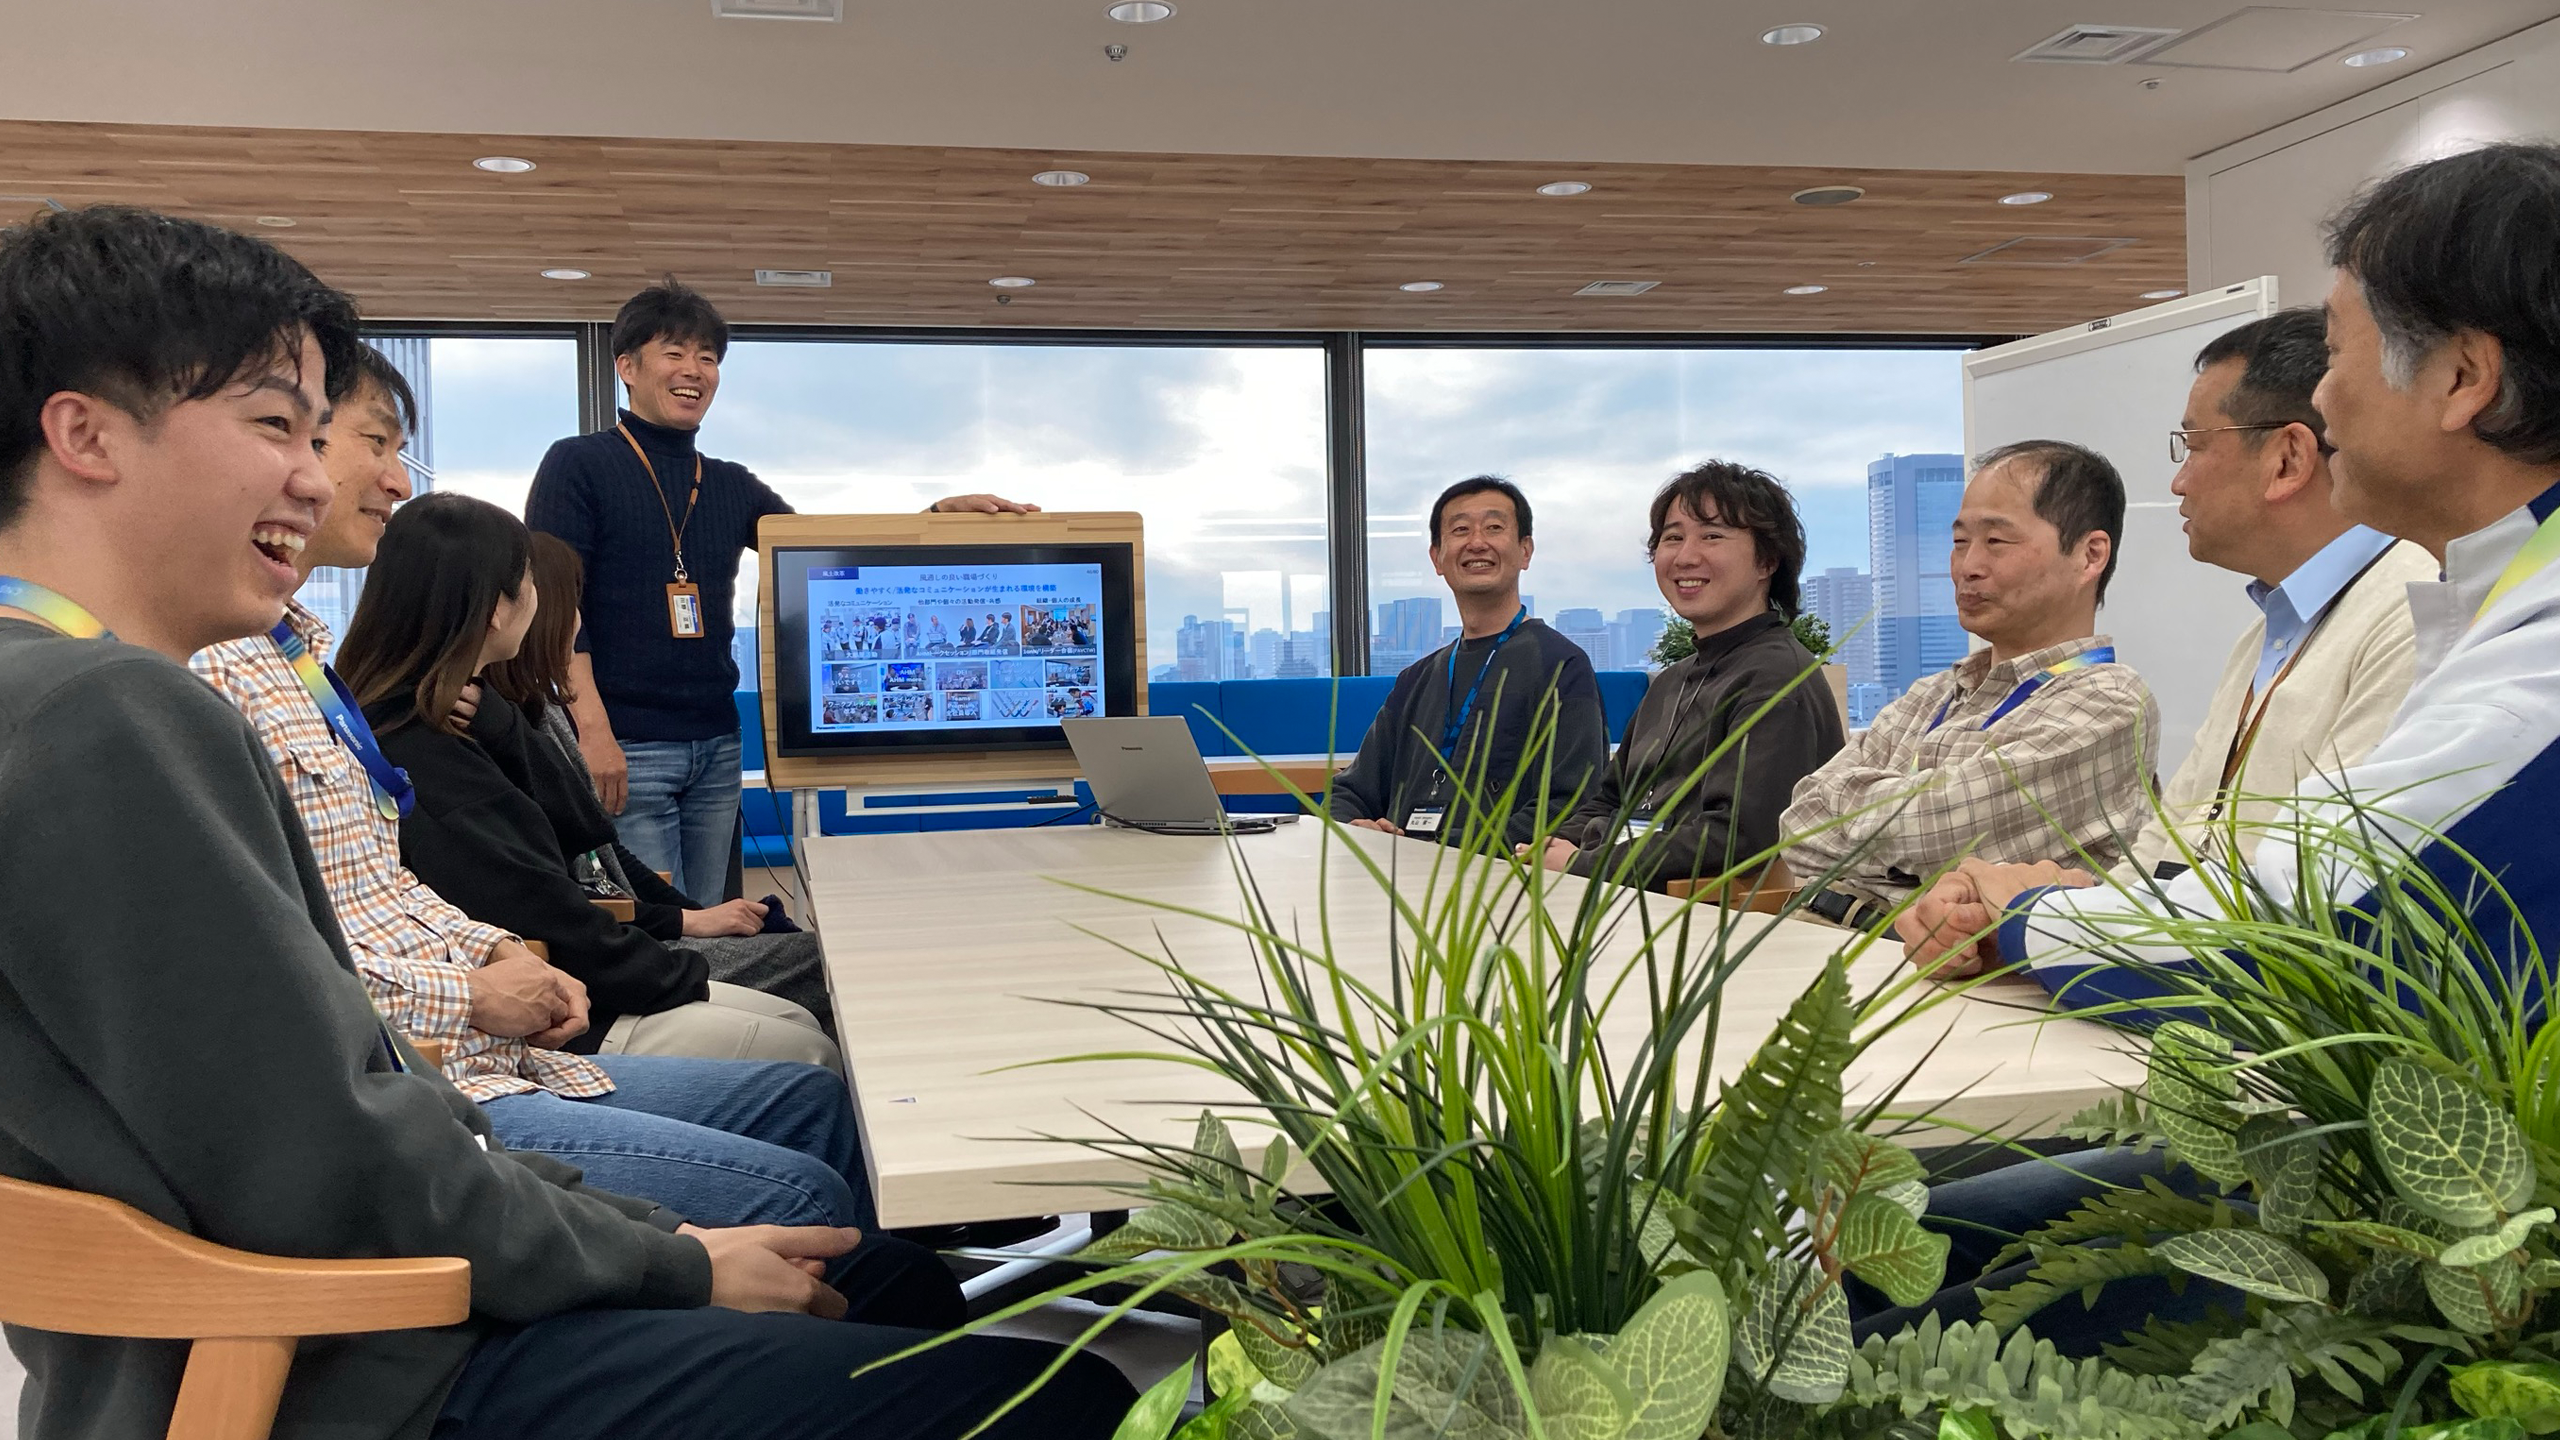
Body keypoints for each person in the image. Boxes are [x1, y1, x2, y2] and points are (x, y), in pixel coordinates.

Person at [0, 204, 1131, 1440]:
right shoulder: (104, 714)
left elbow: (351, 1114)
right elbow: (341, 1160)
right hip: (362, 1356)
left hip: (351, 1300)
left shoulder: (80, 691)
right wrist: (679, 1263)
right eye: (278, 423)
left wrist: (652, 1236)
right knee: (1060, 1392)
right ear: (84, 434)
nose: (317, 478)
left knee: (889, 1278)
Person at [192, 344, 888, 1239]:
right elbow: (561, 890)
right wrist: (649, 940)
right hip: (473, 1060)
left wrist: (503, 953)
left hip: (512, 1022)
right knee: (806, 1045)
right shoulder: (227, 688)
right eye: (292, 430)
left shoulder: (349, 678)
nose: (391, 480)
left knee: (801, 1038)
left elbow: (465, 877)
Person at [1918, 142, 2560, 1009]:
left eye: (2337, 355)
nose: (2324, 401)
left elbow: (2305, 936)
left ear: (2462, 376)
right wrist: (2062, 908)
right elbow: (2192, 856)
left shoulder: (2532, 658)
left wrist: (2026, 920)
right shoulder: (2439, 603)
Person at [1898, 309, 2432, 975]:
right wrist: (2004, 916)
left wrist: (2031, 917)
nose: (2178, 481)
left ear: (2288, 458)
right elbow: (2166, 860)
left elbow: (2318, 909)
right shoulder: (2266, 632)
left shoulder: (2414, 610)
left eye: (2194, 446)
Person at [525, 280, 1035, 905]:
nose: (694, 371)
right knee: (657, 927)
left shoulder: (730, 484)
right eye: (674, 353)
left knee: (715, 918)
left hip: (715, 742)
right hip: (625, 742)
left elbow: (818, 554)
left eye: (708, 358)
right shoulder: (577, 463)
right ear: (627, 366)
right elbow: (554, 607)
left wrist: (935, 513)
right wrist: (592, 731)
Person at [340, 497, 842, 1070]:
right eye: (533, 582)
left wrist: (506, 731)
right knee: (806, 1046)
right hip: (565, 1005)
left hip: (581, 968)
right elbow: (549, 903)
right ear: (496, 610)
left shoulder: (446, 720)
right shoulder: (430, 750)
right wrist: (680, 956)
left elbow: (574, 847)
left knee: (797, 1020)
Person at [1775, 441, 2161, 931]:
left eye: (1996, 542)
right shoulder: (1936, 692)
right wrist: (1913, 860)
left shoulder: (2107, 702)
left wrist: (1873, 826)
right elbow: (1800, 823)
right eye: (1960, 542)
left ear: (2089, 555)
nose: (1967, 566)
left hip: (1945, 973)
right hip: (1828, 937)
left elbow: (1931, 834)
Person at [488, 532, 841, 1033]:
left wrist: (695, 918)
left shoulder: (538, 714)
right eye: (576, 602)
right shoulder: (509, 732)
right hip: (621, 966)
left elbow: (599, 848)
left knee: (805, 947)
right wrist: (687, 927)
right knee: (830, 963)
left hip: (637, 942)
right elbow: (569, 906)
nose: (581, 621)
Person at [1536, 461, 1847, 891]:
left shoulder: (1778, 679)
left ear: (1768, 561)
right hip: (1631, 900)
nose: (1685, 556)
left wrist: (1587, 862)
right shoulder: (1672, 680)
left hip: (1708, 926)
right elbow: (1612, 799)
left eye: (1712, 536)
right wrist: (1556, 844)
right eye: (1673, 537)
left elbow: (1736, 839)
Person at [1328, 476, 1608, 848]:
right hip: (1401, 877)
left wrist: (1442, 846)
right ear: (1437, 558)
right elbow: (1348, 791)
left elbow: (1571, 805)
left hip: (1501, 886)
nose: (1477, 542)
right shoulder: (1417, 678)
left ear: (1525, 551)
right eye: (1460, 530)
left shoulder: (1562, 666)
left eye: (1494, 527)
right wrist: (1354, 827)